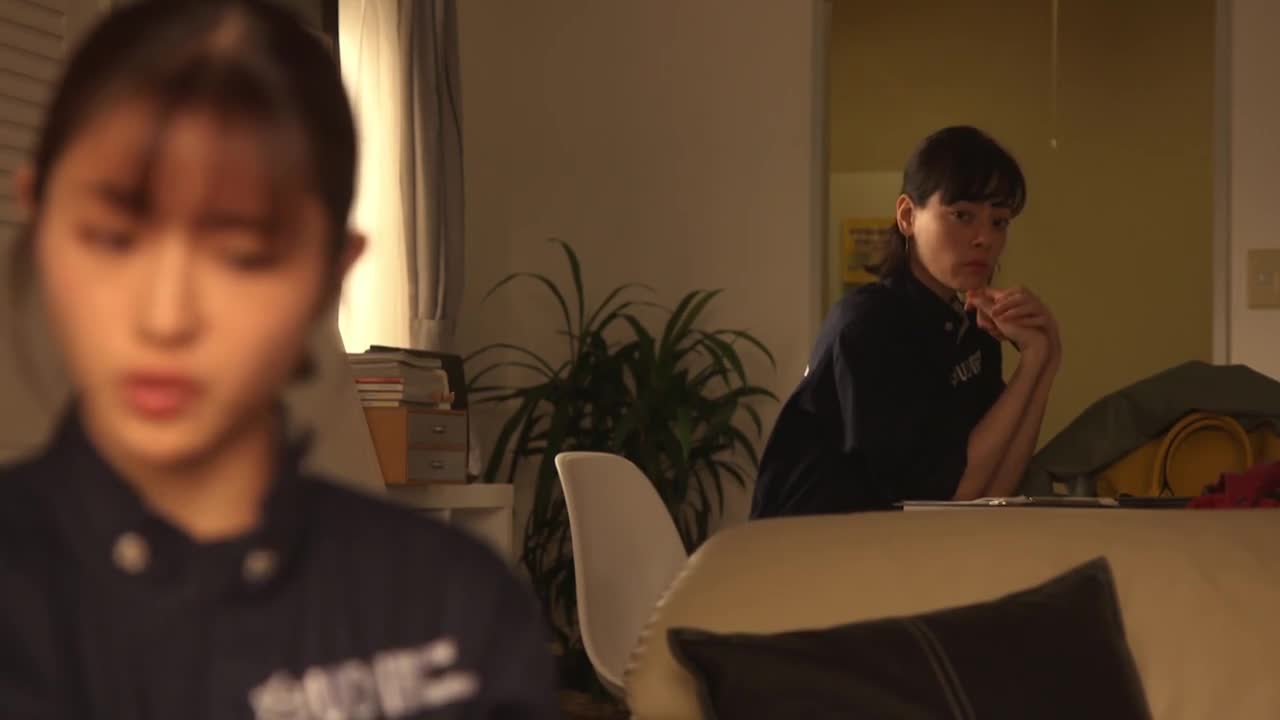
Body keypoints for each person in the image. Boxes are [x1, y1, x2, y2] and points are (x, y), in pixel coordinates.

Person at [0, 1, 558, 717]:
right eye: (112, 238)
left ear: (332, 272)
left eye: (243, 257)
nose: (165, 318)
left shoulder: (456, 608)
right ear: (38, 216)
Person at [751, 126, 1061, 518]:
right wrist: (1031, 368)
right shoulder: (870, 325)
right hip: (811, 544)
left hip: (903, 542)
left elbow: (992, 490)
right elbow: (947, 497)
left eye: (999, 222)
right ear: (908, 216)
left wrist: (1044, 357)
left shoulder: (971, 326)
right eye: (962, 215)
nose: (984, 238)